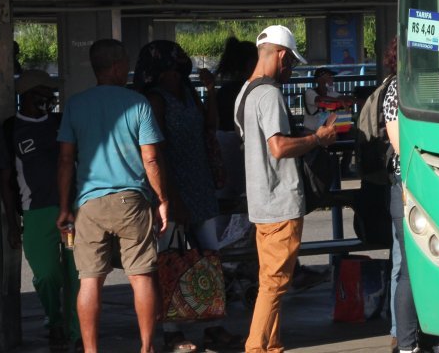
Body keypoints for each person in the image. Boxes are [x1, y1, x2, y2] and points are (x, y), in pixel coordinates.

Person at [56, 39, 170, 353]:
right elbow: (150, 158)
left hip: (89, 204)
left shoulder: (76, 105)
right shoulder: (138, 103)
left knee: (90, 280)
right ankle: (146, 348)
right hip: (131, 202)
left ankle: (92, 351)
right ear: (119, 67)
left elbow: (66, 159)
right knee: (141, 276)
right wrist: (162, 199)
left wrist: (65, 207)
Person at [133, 40, 239, 353]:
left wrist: (210, 91)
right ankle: (172, 330)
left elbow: (210, 125)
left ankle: (213, 325)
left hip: (200, 184)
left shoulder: (189, 93)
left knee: (210, 256)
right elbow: (157, 150)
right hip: (172, 190)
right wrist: (170, 197)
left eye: (178, 68)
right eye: (170, 69)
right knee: (170, 259)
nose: (176, 74)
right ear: (158, 72)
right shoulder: (155, 100)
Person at [238, 25, 338, 353]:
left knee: (271, 280)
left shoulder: (245, 93)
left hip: (260, 201)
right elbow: (278, 147)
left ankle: (272, 345)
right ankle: (256, 347)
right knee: (275, 284)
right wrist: (317, 140)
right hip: (280, 201)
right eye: (290, 63)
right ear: (280, 54)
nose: (290, 70)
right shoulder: (269, 94)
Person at [0, 69, 79, 349]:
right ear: (28, 95)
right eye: (46, 92)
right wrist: (12, 224)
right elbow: (6, 183)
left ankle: (74, 331)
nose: (51, 98)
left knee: (75, 272)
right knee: (47, 274)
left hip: (72, 212)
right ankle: (54, 317)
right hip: (36, 213)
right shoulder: (10, 130)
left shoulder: (61, 122)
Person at [384, 45, 439, 353]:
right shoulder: (399, 89)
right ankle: (408, 344)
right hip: (411, 187)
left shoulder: (428, 85)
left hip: (432, 187)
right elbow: (401, 147)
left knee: (434, 265)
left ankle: (435, 337)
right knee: (411, 272)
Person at [215, 37, 259, 203]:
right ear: (250, 64)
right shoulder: (251, 90)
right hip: (240, 146)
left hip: (222, 144)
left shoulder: (223, 91)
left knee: (225, 203)